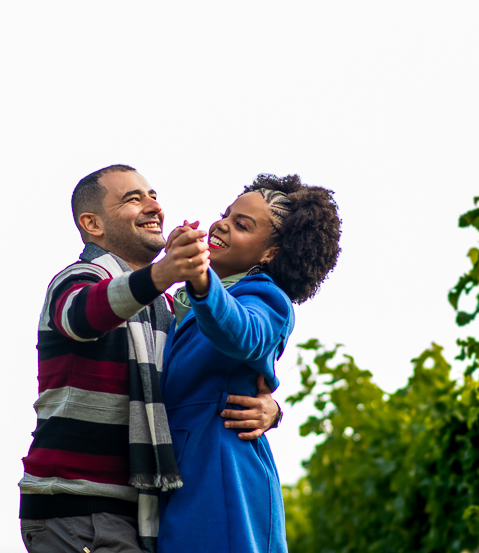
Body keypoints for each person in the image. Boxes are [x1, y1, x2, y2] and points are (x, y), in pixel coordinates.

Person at [19, 165, 282, 553]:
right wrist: (163, 274)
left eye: (153, 195)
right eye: (133, 198)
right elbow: (81, 316)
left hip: (138, 515)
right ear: (92, 224)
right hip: (78, 508)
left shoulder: (166, 309)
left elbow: (191, 382)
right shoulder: (77, 279)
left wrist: (271, 409)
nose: (153, 206)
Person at [159, 174, 341, 553]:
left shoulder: (267, 299)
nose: (222, 224)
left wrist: (202, 281)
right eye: (226, 214)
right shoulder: (182, 304)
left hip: (225, 485)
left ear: (270, 253)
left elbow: (245, 334)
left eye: (241, 225)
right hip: (181, 482)